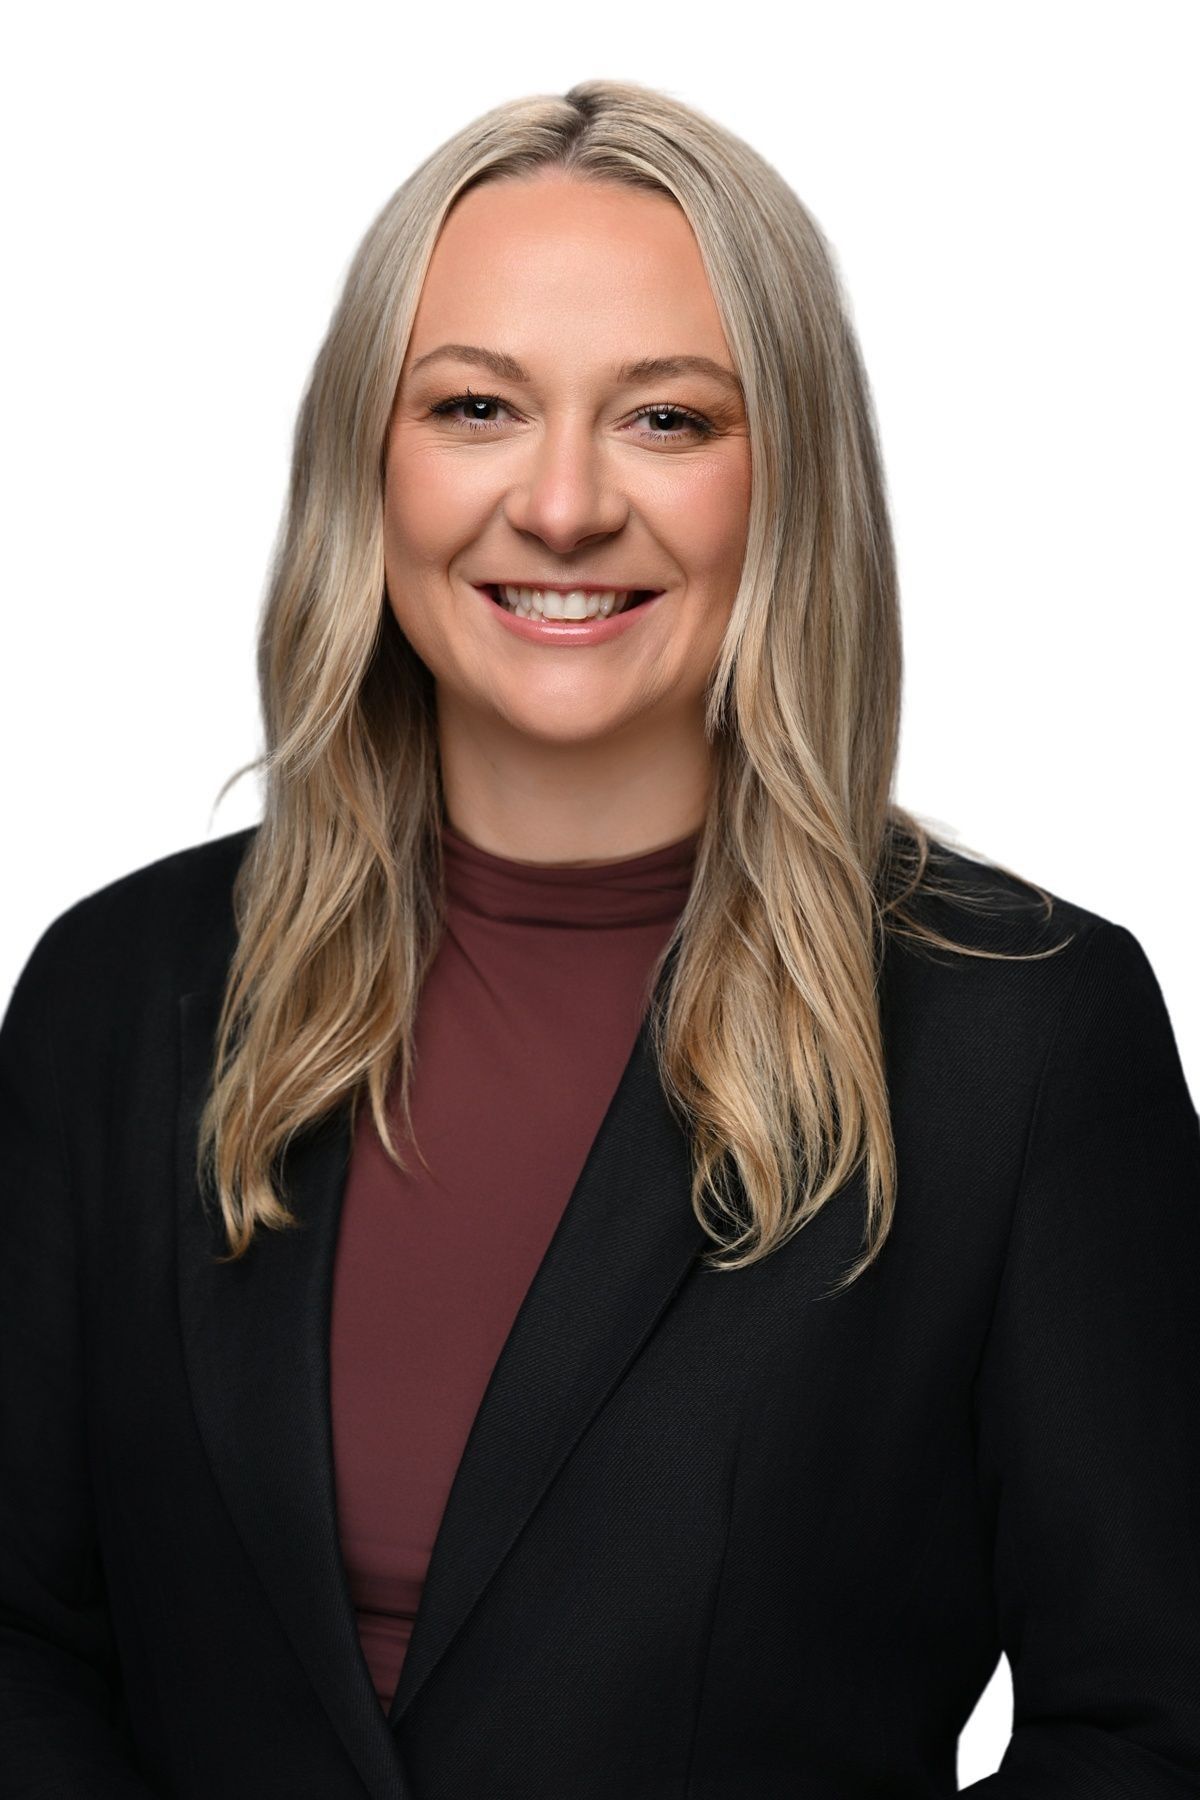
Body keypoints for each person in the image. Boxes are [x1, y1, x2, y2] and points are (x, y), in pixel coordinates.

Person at [1, 76, 1197, 1800]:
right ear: (371, 463)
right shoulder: (115, 1001)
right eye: (478, 406)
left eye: (666, 420)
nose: (561, 507)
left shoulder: (1028, 1038)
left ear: (786, 480)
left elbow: (1153, 1726)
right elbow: (22, 1638)